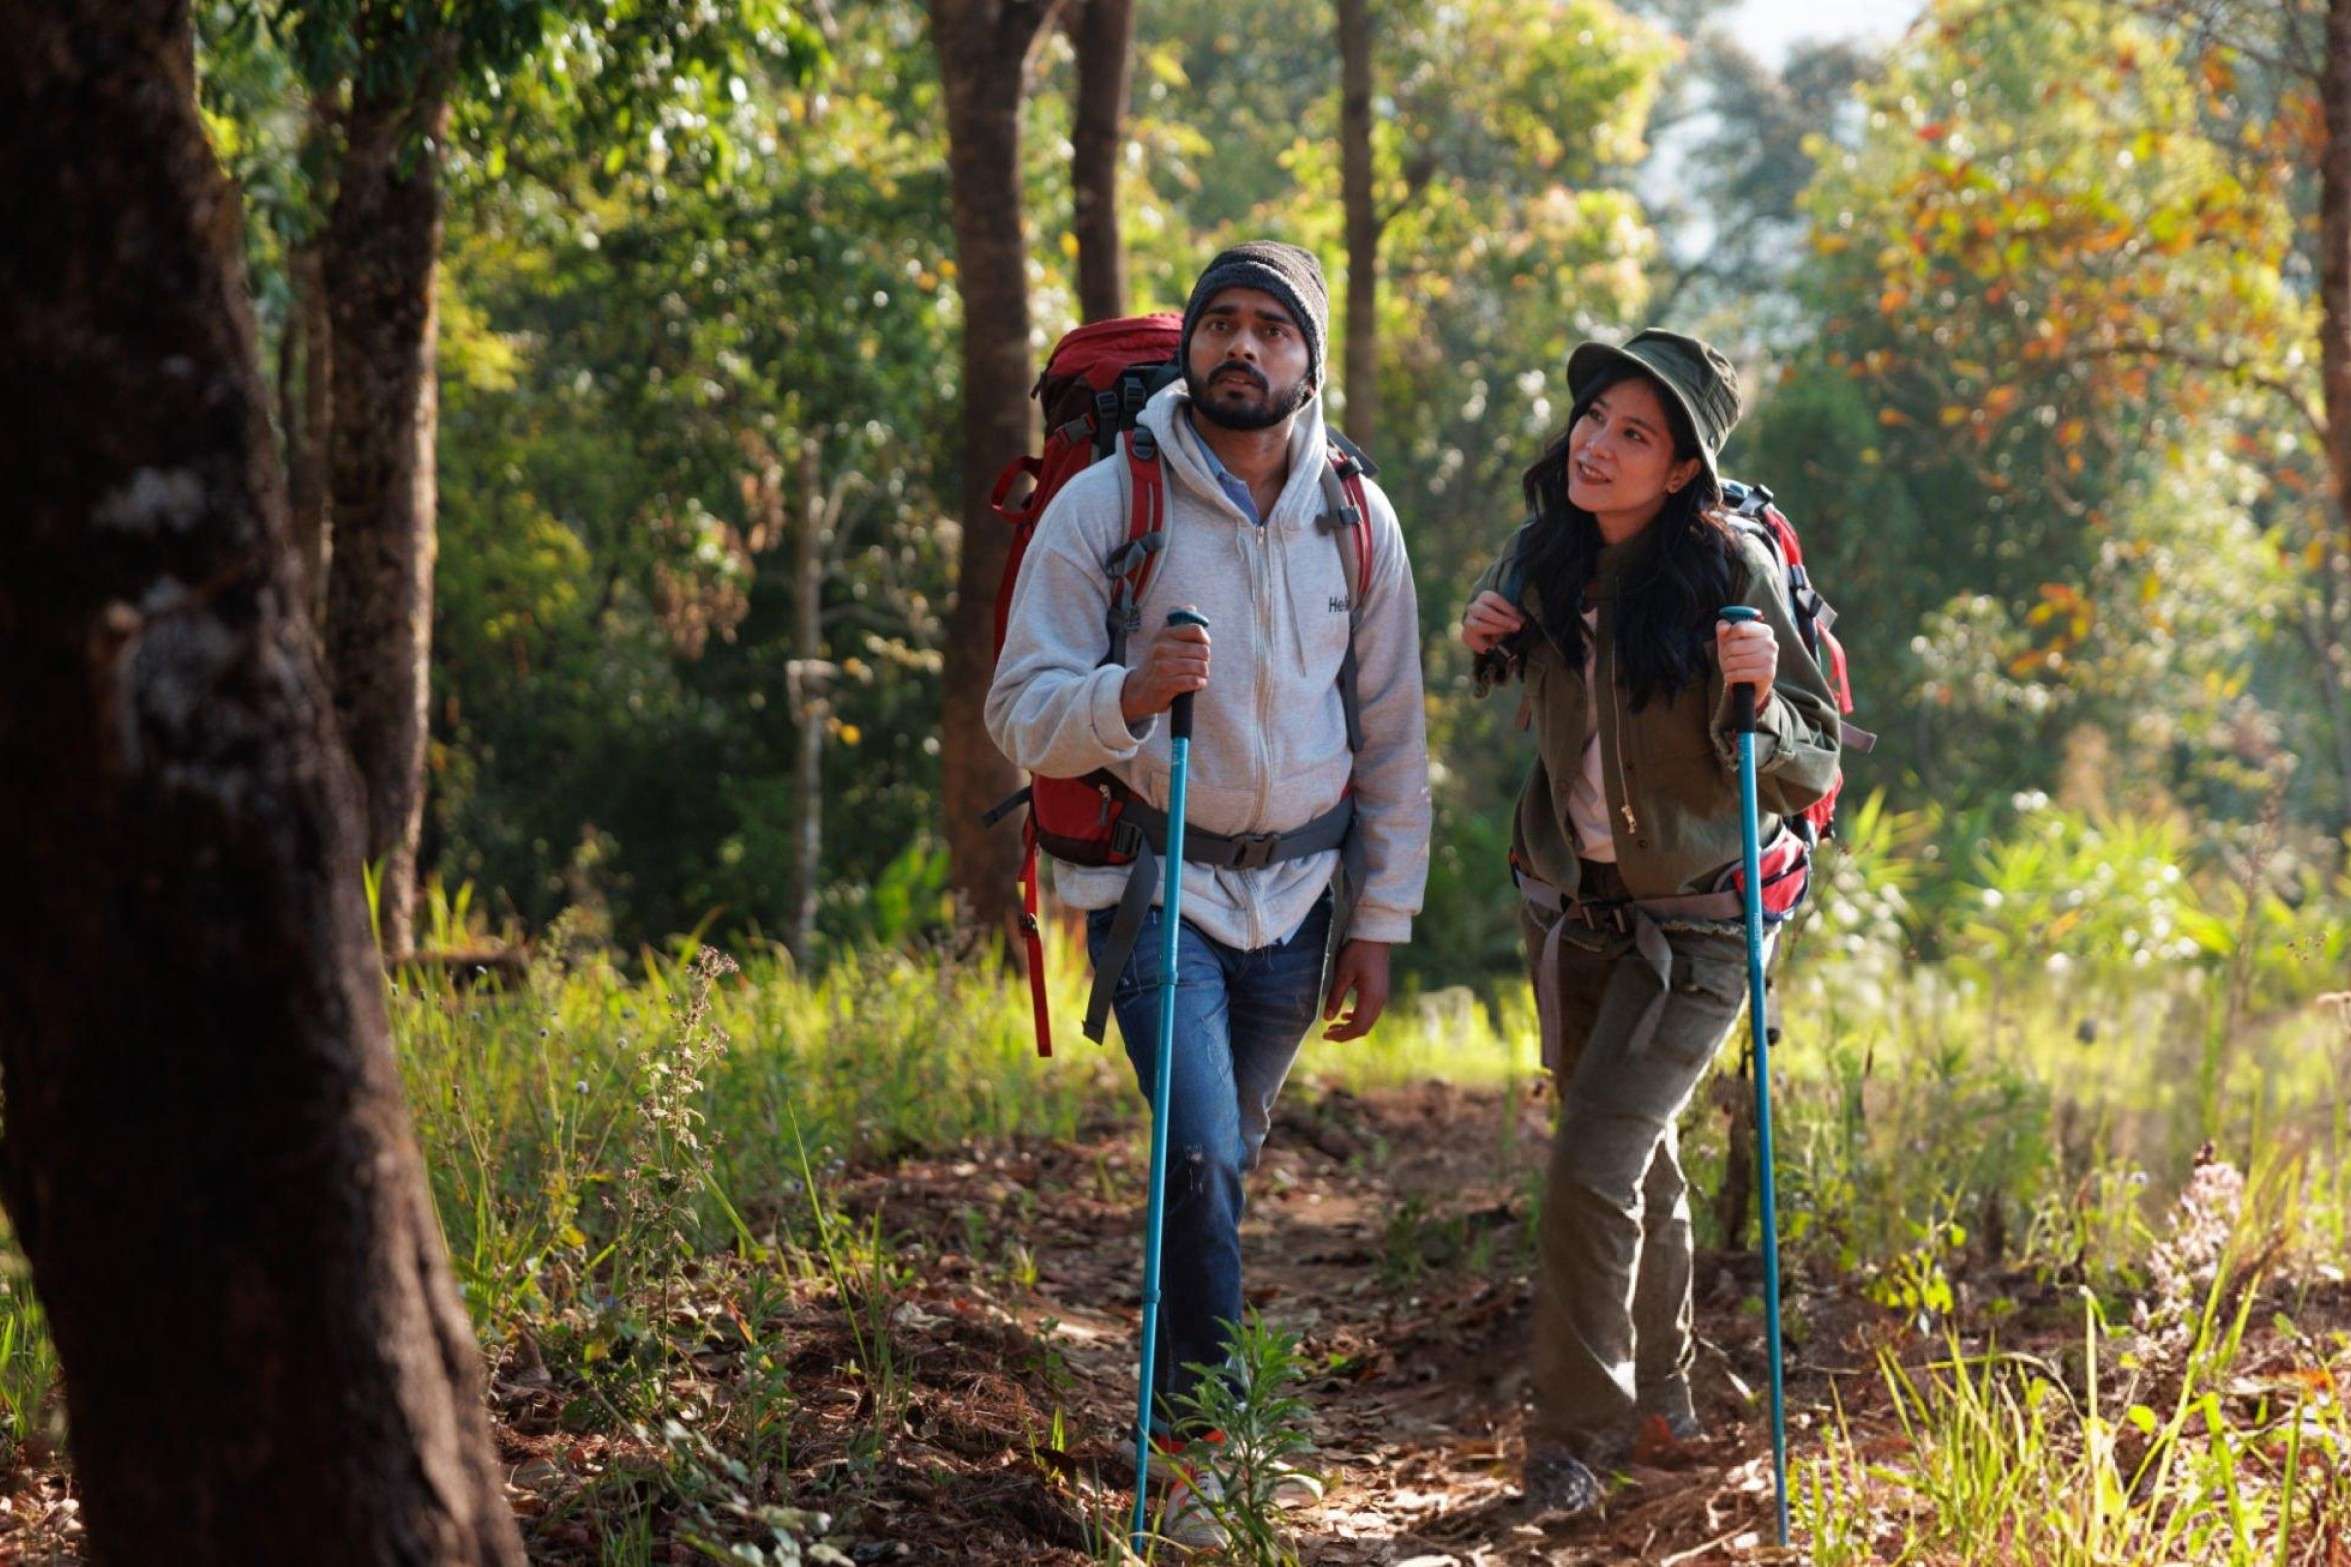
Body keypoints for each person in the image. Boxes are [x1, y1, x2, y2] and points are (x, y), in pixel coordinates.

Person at [987, 242, 1431, 1544]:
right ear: (1189, 343)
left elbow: (1392, 734)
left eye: (1271, 327)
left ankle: (1181, 1429)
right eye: (1221, 321)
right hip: (1149, 885)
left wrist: (1379, 921)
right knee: (1196, 1154)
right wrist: (1125, 693)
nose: (1243, 345)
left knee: (1216, 1170)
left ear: (1309, 358)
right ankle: (1202, 1457)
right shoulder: (1107, 502)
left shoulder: (1356, 513)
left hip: (1298, 904)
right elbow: (1016, 708)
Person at [1458, 329, 1840, 1518]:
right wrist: (1485, 634)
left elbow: (1813, 755)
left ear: (1680, 470)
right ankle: (1665, 1401)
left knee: (1590, 1163)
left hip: (1705, 926)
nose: (1598, 445)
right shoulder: (1543, 553)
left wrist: (1756, 695)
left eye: (1635, 433)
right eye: (1593, 418)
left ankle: (1571, 1441)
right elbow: (1527, 691)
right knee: (1639, 1158)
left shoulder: (1729, 570)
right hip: (1575, 915)